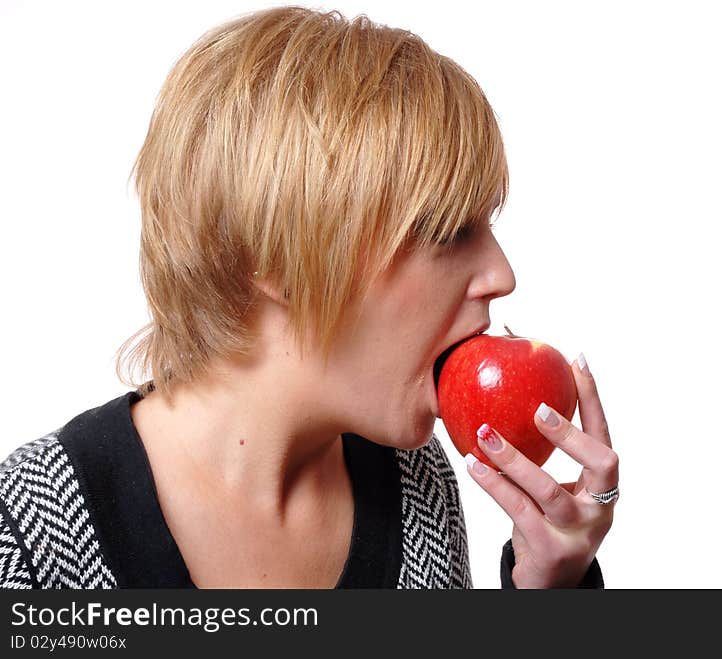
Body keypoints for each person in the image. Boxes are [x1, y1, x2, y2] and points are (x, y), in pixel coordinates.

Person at [0, 5, 618, 589]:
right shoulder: (26, 534)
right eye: (447, 231)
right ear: (280, 258)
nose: (502, 274)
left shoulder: (415, 488)